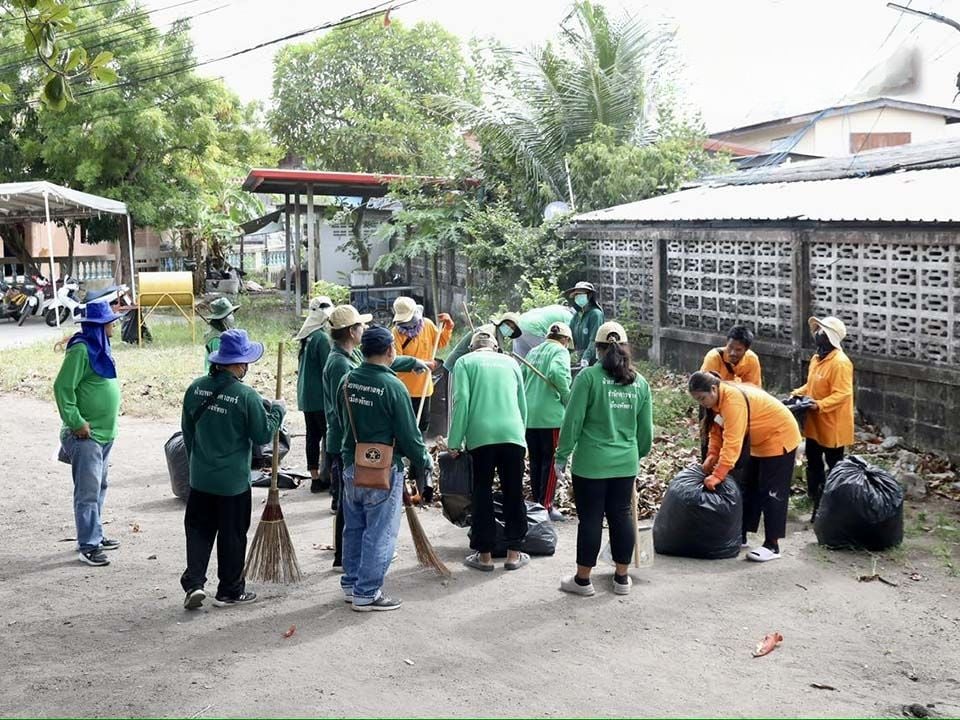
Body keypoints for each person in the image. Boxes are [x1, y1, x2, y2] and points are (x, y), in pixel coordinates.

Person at [180, 329, 285, 610]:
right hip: (233, 484)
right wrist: (278, 411)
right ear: (240, 364)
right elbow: (263, 434)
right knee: (233, 535)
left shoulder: (196, 388)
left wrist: (198, 461)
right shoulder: (245, 396)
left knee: (199, 532)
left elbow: (187, 432)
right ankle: (229, 591)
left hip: (200, 478)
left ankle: (194, 583)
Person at [337, 326, 433, 611]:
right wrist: (423, 459)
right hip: (382, 469)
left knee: (353, 528)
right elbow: (409, 434)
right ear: (390, 350)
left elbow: (341, 421)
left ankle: (351, 584)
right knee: (379, 533)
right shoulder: (393, 387)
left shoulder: (347, 381)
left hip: (352, 464)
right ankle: (367, 593)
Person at [324, 305, 428, 566]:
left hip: (356, 449)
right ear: (351, 331)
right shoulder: (340, 365)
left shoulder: (351, 361)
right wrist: (421, 459)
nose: (363, 328)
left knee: (356, 517)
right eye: (361, 325)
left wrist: (413, 362)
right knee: (361, 520)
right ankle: (359, 578)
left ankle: (352, 574)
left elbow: (374, 365)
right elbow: (343, 414)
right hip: (356, 449)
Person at [555, 322, 653, 596]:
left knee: (591, 518)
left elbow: (572, 421)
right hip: (624, 463)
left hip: (591, 464)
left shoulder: (588, 378)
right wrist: (636, 454)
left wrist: (561, 455)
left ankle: (583, 581)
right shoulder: (639, 383)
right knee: (621, 516)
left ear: (597, 349)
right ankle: (622, 579)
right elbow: (646, 432)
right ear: (626, 348)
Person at [689, 371, 802, 563]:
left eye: (702, 398)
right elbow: (717, 432)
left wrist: (718, 475)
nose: (702, 403)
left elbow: (733, 442)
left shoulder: (732, 401)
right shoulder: (717, 401)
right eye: (697, 400)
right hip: (758, 441)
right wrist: (711, 456)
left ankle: (772, 545)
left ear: (714, 389)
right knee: (748, 488)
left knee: (771, 493)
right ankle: (741, 536)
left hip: (779, 437)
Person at [448, 329, 529, 571]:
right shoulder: (510, 362)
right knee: (514, 492)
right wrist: (521, 436)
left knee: (481, 492)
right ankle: (514, 554)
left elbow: (461, 399)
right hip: (513, 434)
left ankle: (484, 556)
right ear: (495, 347)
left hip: (481, 436)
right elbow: (521, 402)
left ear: (473, 348)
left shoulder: (464, 362)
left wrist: (455, 441)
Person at [54, 300, 123, 568]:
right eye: (110, 321)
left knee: (99, 486)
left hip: (104, 435)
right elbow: (62, 388)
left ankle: (95, 533)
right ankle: (88, 545)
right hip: (86, 436)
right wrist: (76, 422)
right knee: (87, 492)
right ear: (99, 326)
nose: (114, 325)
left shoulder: (100, 346)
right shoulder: (81, 350)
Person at [791, 316, 854, 522]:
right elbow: (811, 385)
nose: (817, 334)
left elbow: (842, 394)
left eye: (822, 331)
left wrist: (819, 405)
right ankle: (814, 494)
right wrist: (797, 394)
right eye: (817, 330)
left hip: (833, 422)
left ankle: (834, 497)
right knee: (813, 459)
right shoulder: (817, 358)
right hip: (815, 421)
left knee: (834, 462)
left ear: (831, 338)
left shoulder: (841, 363)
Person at [391, 296, 453, 491]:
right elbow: (395, 360)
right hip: (404, 389)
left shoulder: (426, 325)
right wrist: (419, 364)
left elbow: (440, 342)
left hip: (425, 388)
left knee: (422, 426)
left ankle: (417, 466)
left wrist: (448, 327)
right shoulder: (396, 333)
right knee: (405, 429)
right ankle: (403, 466)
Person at [522, 322, 573, 522]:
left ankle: (536, 503)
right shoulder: (560, 352)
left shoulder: (534, 352)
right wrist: (567, 398)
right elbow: (557, 373)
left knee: (535, 461)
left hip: (530, 416)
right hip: (550, 416)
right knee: (551, 460)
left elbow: (522, 376)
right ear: (566, 340)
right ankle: (546, 506)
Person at [295, 296, 333, 494]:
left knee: (312, 436)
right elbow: (329, 369)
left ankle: (315, 478)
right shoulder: (321, 338)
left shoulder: (306, 336)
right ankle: (329, 477)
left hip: (306, 396)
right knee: (329, 435)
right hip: (320, 397)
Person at [565, 281, 604, 367]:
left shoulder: (596, 314)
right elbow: (569, 338)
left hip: (593, 360)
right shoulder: (576, 316)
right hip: (579, 358)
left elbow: (594, 340)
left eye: (580, 294)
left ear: (589, 296)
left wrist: (586, 358)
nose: (578, 297)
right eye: (576, 295)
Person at [202, 297, 240, 371]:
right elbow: (220, 364)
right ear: (222, 319)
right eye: (229, 314)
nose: (231, 317)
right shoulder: (216, 338)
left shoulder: (221, 332)